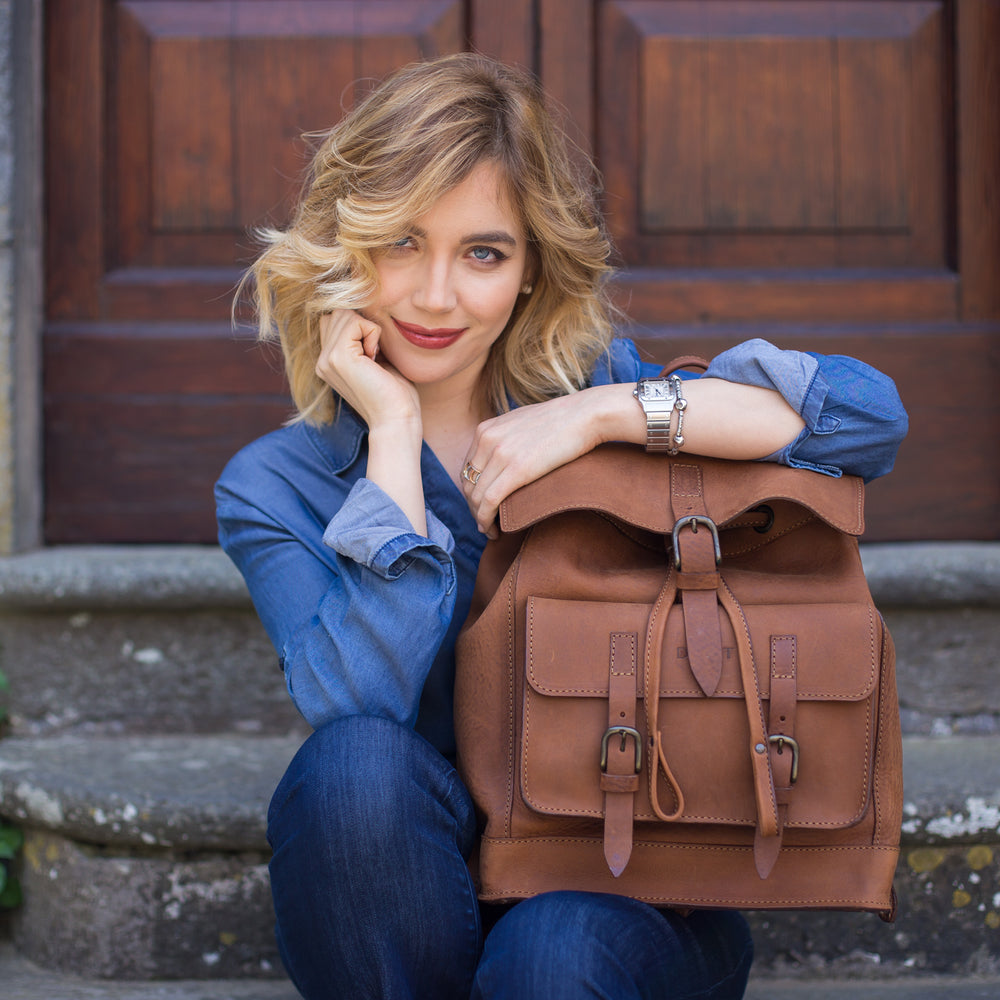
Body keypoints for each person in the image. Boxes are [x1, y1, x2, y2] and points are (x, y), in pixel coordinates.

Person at [216, 52, 907, 1000]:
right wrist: (394, 433)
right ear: (346, 247)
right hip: (413, 900)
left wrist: (602, 416)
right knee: (347, 772)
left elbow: (866, 420)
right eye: (401, 243)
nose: (435, 296)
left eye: (483, 253)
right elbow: (362, 708)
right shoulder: (275, 486)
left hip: (622, 886)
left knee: (551, 954)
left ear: (533, 263)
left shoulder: (599, 392)